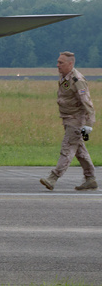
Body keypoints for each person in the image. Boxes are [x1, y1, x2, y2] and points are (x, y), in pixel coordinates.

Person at [42, 51, 97, 191]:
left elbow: (87, 103)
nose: (57, 65)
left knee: (67, 148)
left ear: (70, 64)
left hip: (76, 120)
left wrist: (88, 124)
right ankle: (90, 179)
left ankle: (53, 178)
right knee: (80, 151)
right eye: (58, 62)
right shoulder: (65, 77)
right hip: (67, 119)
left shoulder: (78, 80)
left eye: (61, 63)